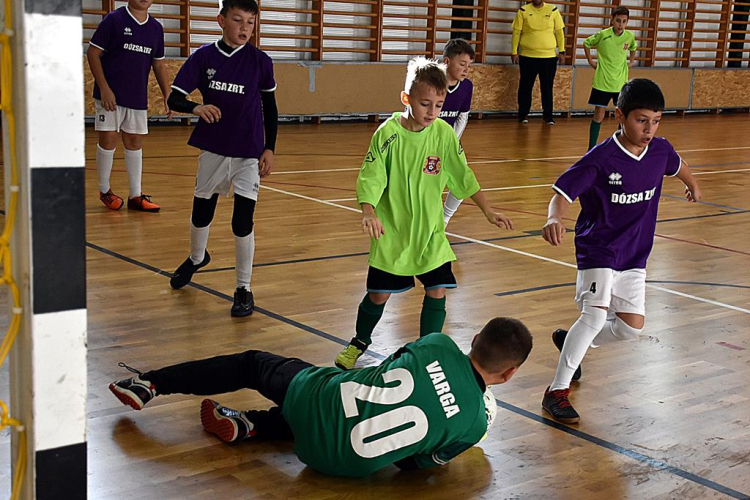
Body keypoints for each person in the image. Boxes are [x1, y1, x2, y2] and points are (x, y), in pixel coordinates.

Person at [108, 317, 533, 477]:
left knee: (254, 363)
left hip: (319, 400)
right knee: (339, 424)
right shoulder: (475, 426)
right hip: (340, 464)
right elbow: (413, 465)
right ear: (511, 374)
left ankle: (150, 383)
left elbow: (383, 368)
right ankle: (249, 425)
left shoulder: (438, 343)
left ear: (474, 338)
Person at [334, 57, 514, 370]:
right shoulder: (387, 134)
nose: (432, 112)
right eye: (425, 104)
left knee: (438, 289)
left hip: (430, 232)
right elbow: (371, 176)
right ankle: (360, 341)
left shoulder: (443, 135)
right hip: (393, 232)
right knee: (378, 295)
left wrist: (488, 209)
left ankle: (425, 350)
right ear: (407, 99)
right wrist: (368, 211)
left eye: (439, 105)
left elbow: (462, 174)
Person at [539, 79, 702, 424]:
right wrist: (554, 218)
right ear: (620, 115)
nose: (649, 128)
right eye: (642, 120)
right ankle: (556, 390)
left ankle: (573, 341)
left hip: (634, 254)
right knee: (595, 315)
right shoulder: (601, 158)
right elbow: (562, 193)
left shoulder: (659, 150)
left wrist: (692, 183)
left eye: (656, 120)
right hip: (598, 247)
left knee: (631, 328)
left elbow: (678, 165)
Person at [166, 0, 279, 317]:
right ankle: (196, 257)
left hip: (249, 153)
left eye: (251, 22)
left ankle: (243, 288)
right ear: (221, 20)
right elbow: (175, 97)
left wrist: (269, 147)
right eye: (238, 20)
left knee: (242, 222)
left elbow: (270, 109)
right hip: (213, 148)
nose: (245, 28)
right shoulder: (204, 57)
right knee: (202, 213)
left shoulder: (260, 61)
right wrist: (196, 108)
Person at [87, 0, 171, 212]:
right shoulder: (114, 20)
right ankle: (104, 190)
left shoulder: (155, 28)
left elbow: (158, 63)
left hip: (136, 96)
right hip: (110, 96)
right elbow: (93, 53)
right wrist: (104, 88)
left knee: (134, 141)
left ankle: (135, 195)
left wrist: (168, 94)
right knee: (108, 139)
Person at [584, 6, 637, 150]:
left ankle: (621, 146)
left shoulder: (629, 36)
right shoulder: (603, 35)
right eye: (618, 21)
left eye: (624, 21)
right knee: (599, 115)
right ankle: (591, 148)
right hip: (603, 82)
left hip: (620, 83)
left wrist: (631, 61)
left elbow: (633, 47)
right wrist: (591, 61)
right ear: (612, 20)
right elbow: (586, 43)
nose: (621, 24)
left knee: (622, 116)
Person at [510, 0, 566, 125]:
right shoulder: (523, 11)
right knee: (525, 87)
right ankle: (523, 114)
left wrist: (562, 51)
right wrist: (514, 51)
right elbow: (516, 32)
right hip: (527, 56)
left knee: (547, 87)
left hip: (549, 57)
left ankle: (548, 116)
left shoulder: (553, 10)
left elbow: (559, 32)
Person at [439, 38, 475, 227]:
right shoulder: (429, 82)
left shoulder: (467, 87)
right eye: (462, 64)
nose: (466, 69)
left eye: (469, 65)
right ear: (446, 62)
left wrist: (452, 141)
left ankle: (444, 220)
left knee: (463, 182)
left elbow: (463, 117)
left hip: (450, 141)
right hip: (425, 141)